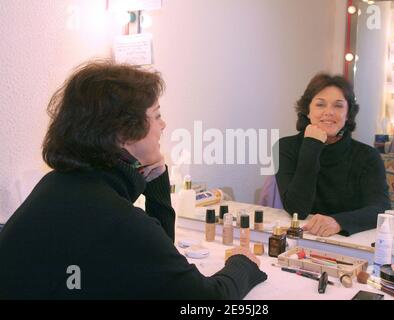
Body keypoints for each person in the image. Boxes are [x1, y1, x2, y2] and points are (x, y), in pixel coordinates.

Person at [0, 60, 267, 299]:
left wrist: (156, 180)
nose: (164, 125)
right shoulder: (117, 220)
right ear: (124, 134)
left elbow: (158, 263)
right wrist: (242, 263)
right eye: (157, 116)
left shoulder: (58, 184)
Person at [275, 74, 391, 237]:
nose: (329, 112)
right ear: (308, 111)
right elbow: (297, 209)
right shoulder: (286, 147)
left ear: (348, 113)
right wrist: (312, 146)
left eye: (338, 106)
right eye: (320, 104)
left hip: (351, 241)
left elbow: (381, 209)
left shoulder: (367, 156)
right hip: (302, 238)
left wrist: (338, 222)